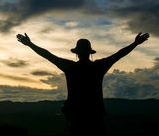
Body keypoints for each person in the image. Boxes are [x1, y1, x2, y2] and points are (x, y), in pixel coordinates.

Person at [16, 32, 149, 135]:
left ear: (77, 53)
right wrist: (135, 43)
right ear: (90, 53)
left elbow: (48, 55)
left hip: (76, 117)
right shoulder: (99, 66)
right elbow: (119, 54)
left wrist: (30, 44)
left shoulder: (70, 67)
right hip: (95, 117)